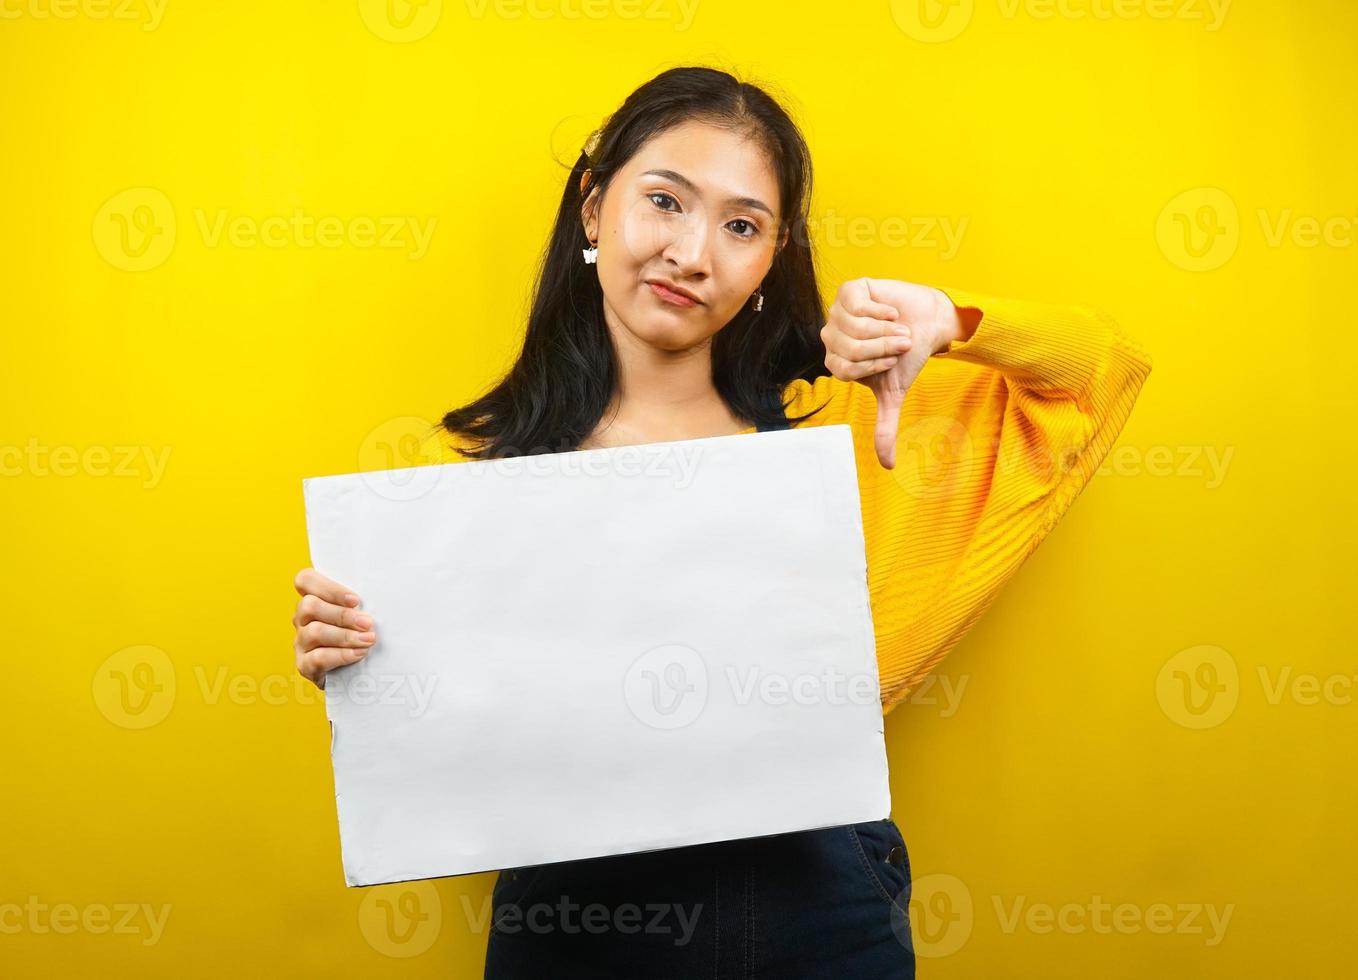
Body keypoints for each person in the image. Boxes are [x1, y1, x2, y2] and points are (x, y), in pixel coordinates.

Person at [292, 65, 1153, 978]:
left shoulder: (853, 429)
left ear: (772, 257)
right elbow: (449, 741)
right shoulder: (465, 476)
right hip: (574, 923)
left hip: (816, 905)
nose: (693, 254)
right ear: (593, 207)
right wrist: (361, 664)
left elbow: (1102, 373)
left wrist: (953, 318)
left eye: (741, 225)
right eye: (664, 200)